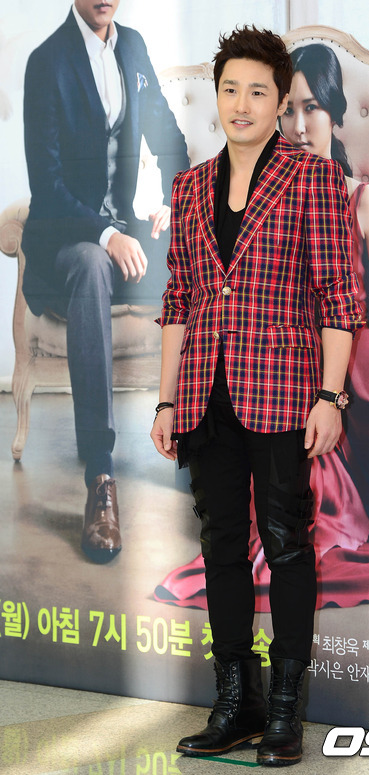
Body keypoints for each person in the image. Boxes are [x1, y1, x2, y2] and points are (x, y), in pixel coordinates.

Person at [155, 35, 369, 612]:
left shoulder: (362, 200)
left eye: (311, 108)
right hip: (292, 392)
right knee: (305, 526)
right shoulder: (258, 201)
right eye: (287, 109)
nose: (298, 124)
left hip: (367, 395)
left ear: (335, 114)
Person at [150, 26, 363, 767]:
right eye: (230, 89)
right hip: (204, 393)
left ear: (279, 103)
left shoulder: (312, 179)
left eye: (258, 92)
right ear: (217, 96)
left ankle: (282, 710)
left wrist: (330, 395)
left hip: (282, 392)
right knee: (220, 545)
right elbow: (179, 299)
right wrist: (166, 401)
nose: (241, 104)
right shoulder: (189, 187)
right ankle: (234, 701)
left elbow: (340, 296)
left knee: (286, 542)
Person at [22, 0, 189, 563]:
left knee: (201, 248)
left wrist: (176, 201)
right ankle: (100, 476)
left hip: (123, 234)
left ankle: (201, 443)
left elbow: (168, 136)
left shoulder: (133, 46)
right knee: (94, 264)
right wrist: (105, 234)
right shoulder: (47, 62)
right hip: (65, 242)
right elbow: (46, 185)